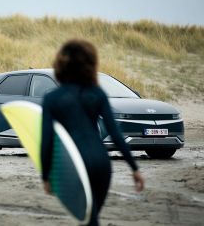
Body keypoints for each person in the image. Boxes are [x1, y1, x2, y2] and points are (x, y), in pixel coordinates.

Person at [41, 39, 144, 226]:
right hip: (102, 164)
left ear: (60, 65)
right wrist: (134, 168)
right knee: (91, 217)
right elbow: (115, 133)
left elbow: (46, 141)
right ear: (90, 65)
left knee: (88, 219)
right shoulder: (97, 94)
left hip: (76, 165)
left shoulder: (52, 99)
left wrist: (46, 176)